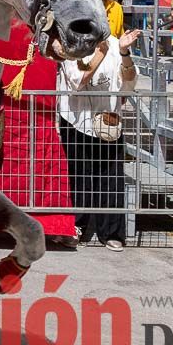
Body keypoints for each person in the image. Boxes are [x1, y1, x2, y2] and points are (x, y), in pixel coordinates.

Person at [55, 29, 141, 252]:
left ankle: (112, 233)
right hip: (76, 120)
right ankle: (75, 227)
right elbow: (78, 81)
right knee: (78, 177)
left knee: (111, 180)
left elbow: (129, 83)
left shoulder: (114, 43)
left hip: (107, 121)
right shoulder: (71, 45)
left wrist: (123, 53)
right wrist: (99, 54)